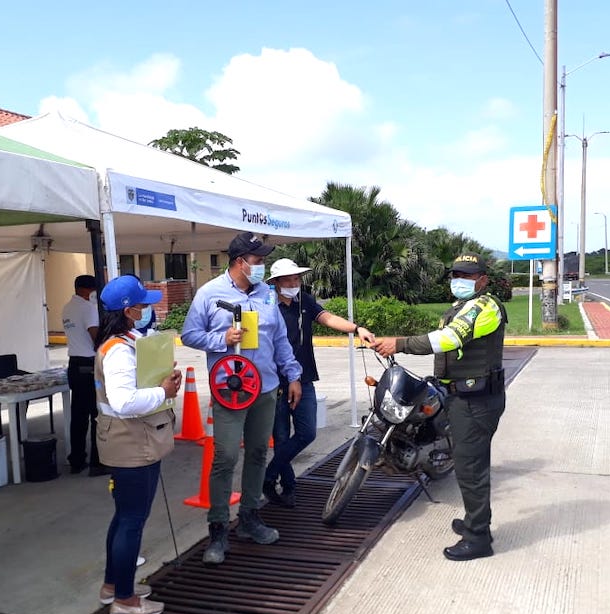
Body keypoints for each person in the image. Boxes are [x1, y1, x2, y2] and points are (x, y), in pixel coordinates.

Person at [373, 252, 506, 561]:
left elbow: (448, 340)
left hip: (477, 400)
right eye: (455, 274)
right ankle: (475, 521)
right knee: (465, 462)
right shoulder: (463, 306)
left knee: (471, 468)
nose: (458, 280)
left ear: (483, 280)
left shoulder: (485, 308)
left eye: (467, 276)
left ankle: (479, 538)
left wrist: (401, 343)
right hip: (461, 397)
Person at [181, 232, 302, 565]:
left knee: (259, 452)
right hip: (230, 391)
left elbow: (279, 339)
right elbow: (189, 334)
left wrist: (292, 375)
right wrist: (222, 338)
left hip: (265, 387)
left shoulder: (266, 295)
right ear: (239, 262)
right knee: (225, 457)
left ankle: (249, 517)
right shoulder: (209, 293)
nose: (262, 267)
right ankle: (218, 528)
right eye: (258, 260)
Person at [94, 274, 183, 614]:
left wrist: (161, 380)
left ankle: (113, 588)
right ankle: (126, 602)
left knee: (124, 518)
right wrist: (163, 392)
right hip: (132, 443)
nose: (149, 309)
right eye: (143, 305)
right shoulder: (117, 351)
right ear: (129, 311)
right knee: (132, 520)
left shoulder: (121, 341)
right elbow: (124, 401)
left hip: (128, 440)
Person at [262, 258, 376, 508]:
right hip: (276, 383)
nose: (294, 283)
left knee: (306, 433)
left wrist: (357, 329)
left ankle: (268, 476)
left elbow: (328, 318)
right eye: (289, 280)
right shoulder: (267, 306)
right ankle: (288, 486)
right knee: (281, 438)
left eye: (297, 279)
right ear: (276, 283)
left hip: (304, 378)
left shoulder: (305, 301)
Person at [62, 274, 101, 475]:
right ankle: (97, 461)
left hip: (74, 365)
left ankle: (76, 460)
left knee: (78, 416)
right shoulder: (88, 309)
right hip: (89, 366)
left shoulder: (67, 308)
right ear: (87, 290)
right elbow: (97, 338)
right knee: (97, 415)